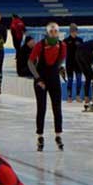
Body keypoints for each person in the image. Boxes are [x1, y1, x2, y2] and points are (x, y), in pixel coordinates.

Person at [28, 22, 66, 150]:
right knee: (41, 107)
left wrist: (57, 68)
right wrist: (38, 78)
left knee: (57, 107)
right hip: (41, 79)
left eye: (56, 32)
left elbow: (61, 59)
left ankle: (58, 134)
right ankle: (40, 135)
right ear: (47, 33)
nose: (54, 34)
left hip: (54, 79)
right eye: (51, 32)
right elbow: (30, 62)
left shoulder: (62, 45)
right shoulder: (40, 45)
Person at [9, 13, 27, 80]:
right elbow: (24, 29)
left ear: (13, 17)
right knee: (19, 47)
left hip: (16, 37)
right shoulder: (20, 21)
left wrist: (13, 36)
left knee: (17, 47)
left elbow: (12, 29)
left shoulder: (14, 22)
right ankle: (18, 55)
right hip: (20, 37)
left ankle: (18, 56)